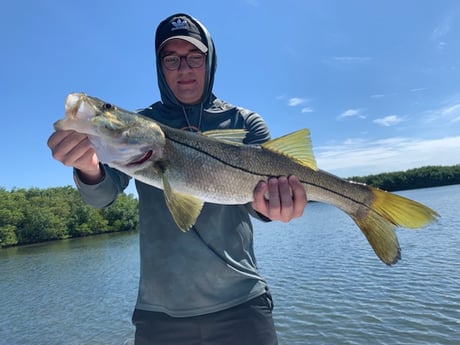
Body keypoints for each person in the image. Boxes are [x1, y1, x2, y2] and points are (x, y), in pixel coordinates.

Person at [48, 13, 307, 345]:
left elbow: (261, 207)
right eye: (172, 59)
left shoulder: (245, 123)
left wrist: (276, 208)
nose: (184, 68)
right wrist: (86, 167)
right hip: (160, 314)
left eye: (194, 57)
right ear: (160, 67)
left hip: (242, 304)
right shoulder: (143, 124)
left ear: (209, 60)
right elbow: (101, 195)